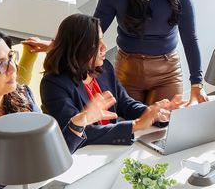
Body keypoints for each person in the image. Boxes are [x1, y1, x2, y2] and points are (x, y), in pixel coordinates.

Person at [0, 27, 116, 189]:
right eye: (0, 64)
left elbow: (46, 154)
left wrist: (78, 124)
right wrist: (22, 160)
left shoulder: (22, 96)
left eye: (10, 57)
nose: (12, 68)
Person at [40, 14, 181, 146]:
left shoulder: (104, 68)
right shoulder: (53, 84)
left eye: (102, 40)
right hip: (81, 156)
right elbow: (76, 133)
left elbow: (125, 104)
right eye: (97, 43)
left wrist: (153, 113)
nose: (104, 47)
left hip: (109, 149)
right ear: (78, 47)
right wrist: (134, 125)